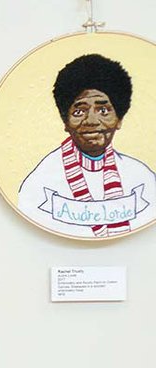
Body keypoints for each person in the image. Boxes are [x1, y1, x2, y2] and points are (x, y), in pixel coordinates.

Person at [18, 53, 156, 237]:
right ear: (65, 122)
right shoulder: (41, 182)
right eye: (79, 111)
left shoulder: (142, 178)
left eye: (103, 110)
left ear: (119, 119)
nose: (91, 121)